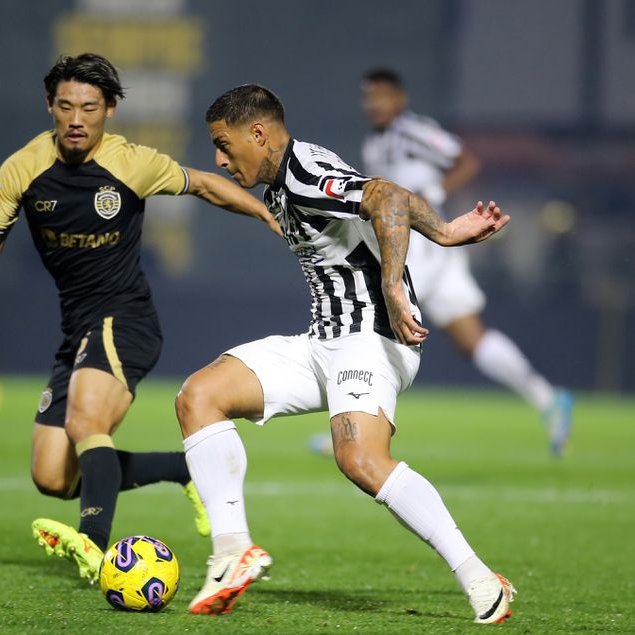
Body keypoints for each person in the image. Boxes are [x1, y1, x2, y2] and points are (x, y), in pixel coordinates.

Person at [176, 84, 516, 623]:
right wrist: (446, 231)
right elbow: (386, 195)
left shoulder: (301, 174)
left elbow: (389, 198)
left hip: (372, 336)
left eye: (223, 144)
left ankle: (479, 577)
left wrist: (394, 284)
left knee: (359, 459)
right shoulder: (283, 181)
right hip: (323, 341)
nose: (220, 158)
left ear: (257, 133)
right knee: (200, 396)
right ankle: (232, 551)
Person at [0, 53, 282, 583]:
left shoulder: (130, 163)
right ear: (49, 105)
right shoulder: (22, 167)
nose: (76, 119)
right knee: (53, 476)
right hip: (76, 330)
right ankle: (186, 469)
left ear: (109, 109)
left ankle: (93, 544)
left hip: (124, 318)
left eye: (89, 107)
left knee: (85, 423)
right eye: (65, 106)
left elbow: (204, 184)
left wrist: (265, 212)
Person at [358, 68, 572, 455]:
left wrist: (433, 191)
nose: (374, 104)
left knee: (380, 315)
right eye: (369, 97)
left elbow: (467, 162)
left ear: (400, 99)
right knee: (471, 339)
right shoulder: (375, 144)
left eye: (382, 96)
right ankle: (548, 398)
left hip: (423, 241)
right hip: (428, 245)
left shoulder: (413, 132)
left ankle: (360, 426)